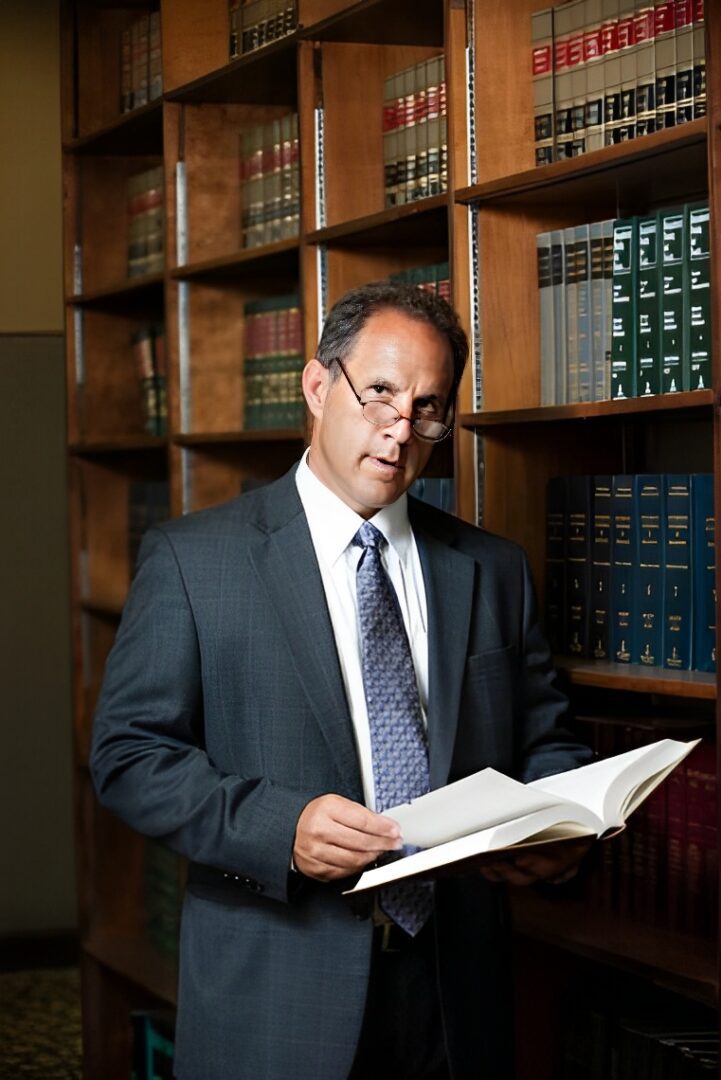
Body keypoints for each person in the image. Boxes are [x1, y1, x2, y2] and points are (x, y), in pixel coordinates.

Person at [91, 282, 591, 1080]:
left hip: (455, 994)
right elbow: (127, 757)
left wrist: (559, 834)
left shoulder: (493, 570)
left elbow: (546, 740)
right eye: (380, 394)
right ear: (318, 387)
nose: (401, 431)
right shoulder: (195, 561)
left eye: (429, 407)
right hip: (276, 992)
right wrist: (278, 827)